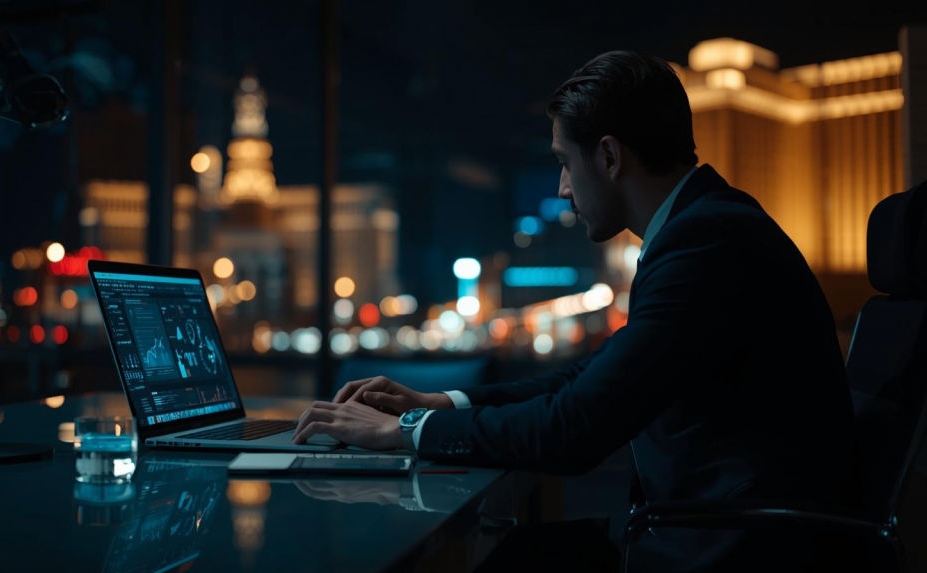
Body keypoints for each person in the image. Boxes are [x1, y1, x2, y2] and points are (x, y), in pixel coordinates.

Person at [293, 50, 861, 571]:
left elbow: (576, 429)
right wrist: (439, 402)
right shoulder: (706, 226)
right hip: (714, 531)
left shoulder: (704, 245)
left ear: (610, 156)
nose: (563, 189)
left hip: (729, 550)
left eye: (566, 162)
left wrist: (407, 430)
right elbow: (588, 378)